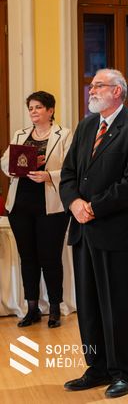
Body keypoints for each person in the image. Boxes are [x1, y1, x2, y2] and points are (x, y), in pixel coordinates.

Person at [59, 68, 128, 399]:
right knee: (88, 306)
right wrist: (74, 203)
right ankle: (96, 367)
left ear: (117, 91)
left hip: (117, 234)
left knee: (117, 307)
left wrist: (94, 207)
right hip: (83, 230)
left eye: (98, 85)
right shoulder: (87, 126)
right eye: (92, 85)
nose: (91, 90)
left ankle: (123, 372)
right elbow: (69, 172)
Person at [0, 91, 72, 328]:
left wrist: (49, 175)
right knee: (28, 257)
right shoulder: (20, 134)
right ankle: (32, 308)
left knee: (50, 258)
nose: (33, 111)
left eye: (38, 107)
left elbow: (73, 168)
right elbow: (5, 161)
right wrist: (16, 167)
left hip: (51, 205)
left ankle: (54, 309)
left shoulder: (64, 134)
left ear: (50, 110)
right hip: (20, 204)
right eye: (30, 108)